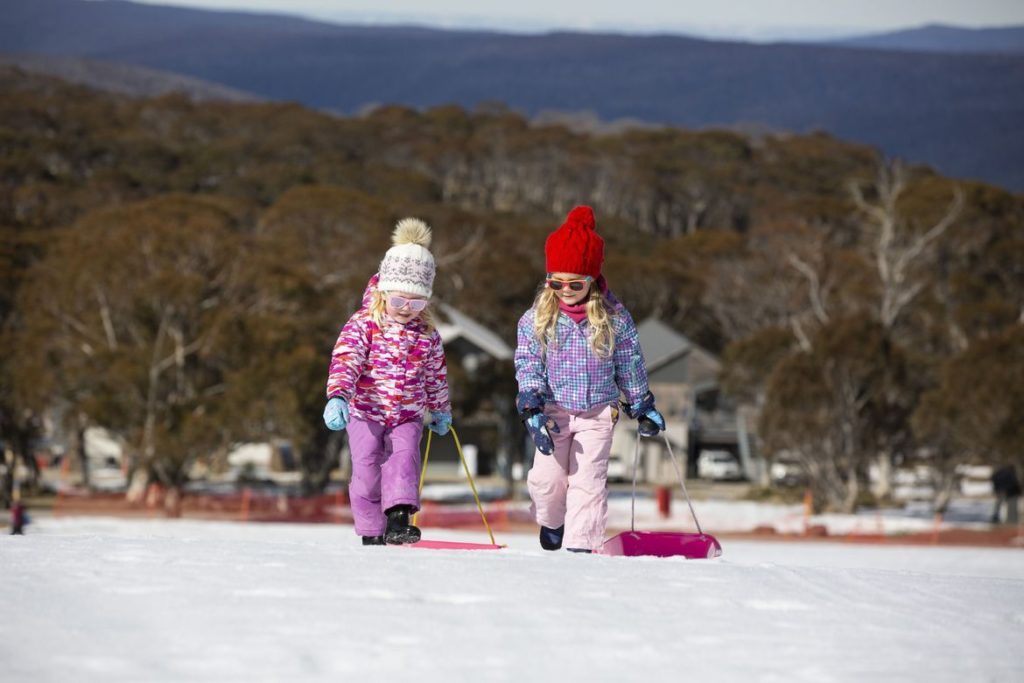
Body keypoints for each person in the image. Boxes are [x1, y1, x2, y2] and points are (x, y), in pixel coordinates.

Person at [514, 205, 665, 553]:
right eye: (556, 281)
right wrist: (531, 403)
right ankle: (552, 522)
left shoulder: (614, 318)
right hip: (552, 411)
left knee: (588, 483)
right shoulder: (536, 318)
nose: (565, 289)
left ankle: (581, 545)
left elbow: (629, 363)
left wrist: (641, 404)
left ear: (592, 279)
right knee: (546, 481)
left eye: (575, 283)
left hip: (598, 413)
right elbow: (527, 361)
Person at [324, 218, 451, 546]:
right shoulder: (364, 324)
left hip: (407, 414)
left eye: (416, 303)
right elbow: (346, 360)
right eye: (399, 301)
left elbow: (436, 374)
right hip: (365, 412)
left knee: (403, 461)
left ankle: (398, 522)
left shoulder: (427, 334)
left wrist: (440, 409)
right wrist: (338, 395)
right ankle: (371, 532)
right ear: (384, 293)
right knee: (366, 472)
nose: (406, 310)